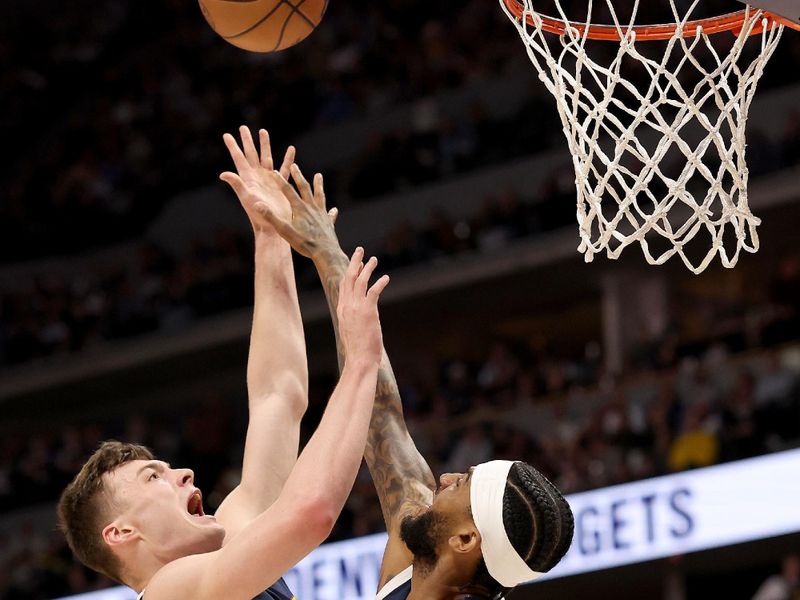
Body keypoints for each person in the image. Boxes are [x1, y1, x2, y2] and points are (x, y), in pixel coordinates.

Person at [57, 127, 391, 600]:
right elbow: (310, 511)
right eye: (154, 477)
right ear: (121, 533)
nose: (186, 474)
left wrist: (268, 232)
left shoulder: (223, 563)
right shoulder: (168, 592)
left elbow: (279, 395)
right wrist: (359, 363)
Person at [254, 158, 575, 600]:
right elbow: (381, 416)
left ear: (464, 541)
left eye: (460, 485)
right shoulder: (421, 549)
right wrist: (326, 252)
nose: (444, 479)